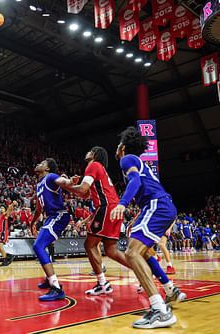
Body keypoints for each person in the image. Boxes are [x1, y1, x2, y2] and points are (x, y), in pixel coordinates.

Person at [110, 126, 186, 329]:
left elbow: (135, 181)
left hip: (157, 206)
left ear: (123, 147)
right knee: (141, 253)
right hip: (159, 206)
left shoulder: (127, 159)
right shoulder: (141, 163)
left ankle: (160, 310)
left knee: (132, 253)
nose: (117, 148)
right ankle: (170, 290)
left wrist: (122, 203)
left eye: (118, 145)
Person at [57, 147, 132, 295]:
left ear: (94, 154)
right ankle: (143, 271)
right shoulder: (100, 168)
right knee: (111, 250)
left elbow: (82, 189)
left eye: (90, 150)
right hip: (114, 208)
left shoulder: (93, 165)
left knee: (89, 244)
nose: (87, 152)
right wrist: (71, 185)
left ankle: (102, 283)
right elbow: (85, 195)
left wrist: (65, 185)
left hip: (106, 208)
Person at [29, 158, 70, 301]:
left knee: (38, 246)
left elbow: (63, 182)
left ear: (47, 169)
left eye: (42, 163)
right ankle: (48, 278)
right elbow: (39, 208)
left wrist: (68, 181)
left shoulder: (51, 176)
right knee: (40, 246)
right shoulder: (39, 184)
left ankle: (56, 288)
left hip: (59, 215)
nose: (38, 164)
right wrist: (33, 222)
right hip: (50, 217)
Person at [0, 202, 17, 266]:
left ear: (5, 210)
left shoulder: (5, 215)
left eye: (3, 208)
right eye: (0, 208)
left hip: (3, 232)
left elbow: (9, 211)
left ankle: (5, 260)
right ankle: (9, 255)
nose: (1, 209)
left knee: (0, 245)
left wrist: (12, 205)